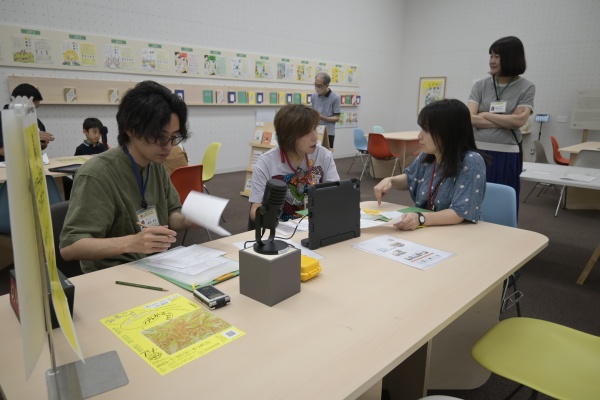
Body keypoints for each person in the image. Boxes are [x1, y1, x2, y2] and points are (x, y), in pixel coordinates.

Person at [60, 81, 195, 273]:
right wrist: (131, 243)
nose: (168, 146)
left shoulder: (155, 164)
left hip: (155, 265)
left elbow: (171, 213)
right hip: (114, 273)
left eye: (174, 137)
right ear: (130, 129)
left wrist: (187, 220)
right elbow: (70, 247)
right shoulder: (97, 175)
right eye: (160, 136)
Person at [373, 99, 487, 231]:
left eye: (426, 130)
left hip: (457, 231)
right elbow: (411, 178)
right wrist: (391, 180)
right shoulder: (427, 155)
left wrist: (420, 218)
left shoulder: (472, 161)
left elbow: (459, 213)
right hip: (428, 228)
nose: (419, 136)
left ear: (449, 132)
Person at [468, 36, 535, 212]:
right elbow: (469, 118)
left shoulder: (526, 87)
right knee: (472, 200)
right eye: (491, 56)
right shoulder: (480, 86)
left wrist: (484, 114)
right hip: (477, 151)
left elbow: (519, 121)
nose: (492, 61)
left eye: (497, 56)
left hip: (507, 153)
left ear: (512, 58)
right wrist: (506, 120)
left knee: (500, 203)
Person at [249, 104, 340, 223]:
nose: (315, 137)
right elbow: (255, 209)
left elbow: (336, 193)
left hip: (317, 224)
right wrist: (264, 215)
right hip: (281, 228)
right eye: (307, 132)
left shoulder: (323, 155)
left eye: (315, 128)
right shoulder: (266, 162)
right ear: (289, 137)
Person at [0, 83, 55, 162]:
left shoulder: (36, 121)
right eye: (30, 108)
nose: (33, 112)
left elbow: (40, 147)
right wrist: (30, 139)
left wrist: (42, 144)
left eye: (35, 108)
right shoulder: (3, 120)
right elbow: (2, 151)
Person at [311, 72, 341, 148]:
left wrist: (322, 117)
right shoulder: (314, 96)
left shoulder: (335, 97)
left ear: (326, 85)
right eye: (315, 84)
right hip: (316, 131)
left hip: (328, 132)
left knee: (327, 153)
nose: (317, 87)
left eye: (320, 85)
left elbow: (337, 118)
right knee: (313, 153)